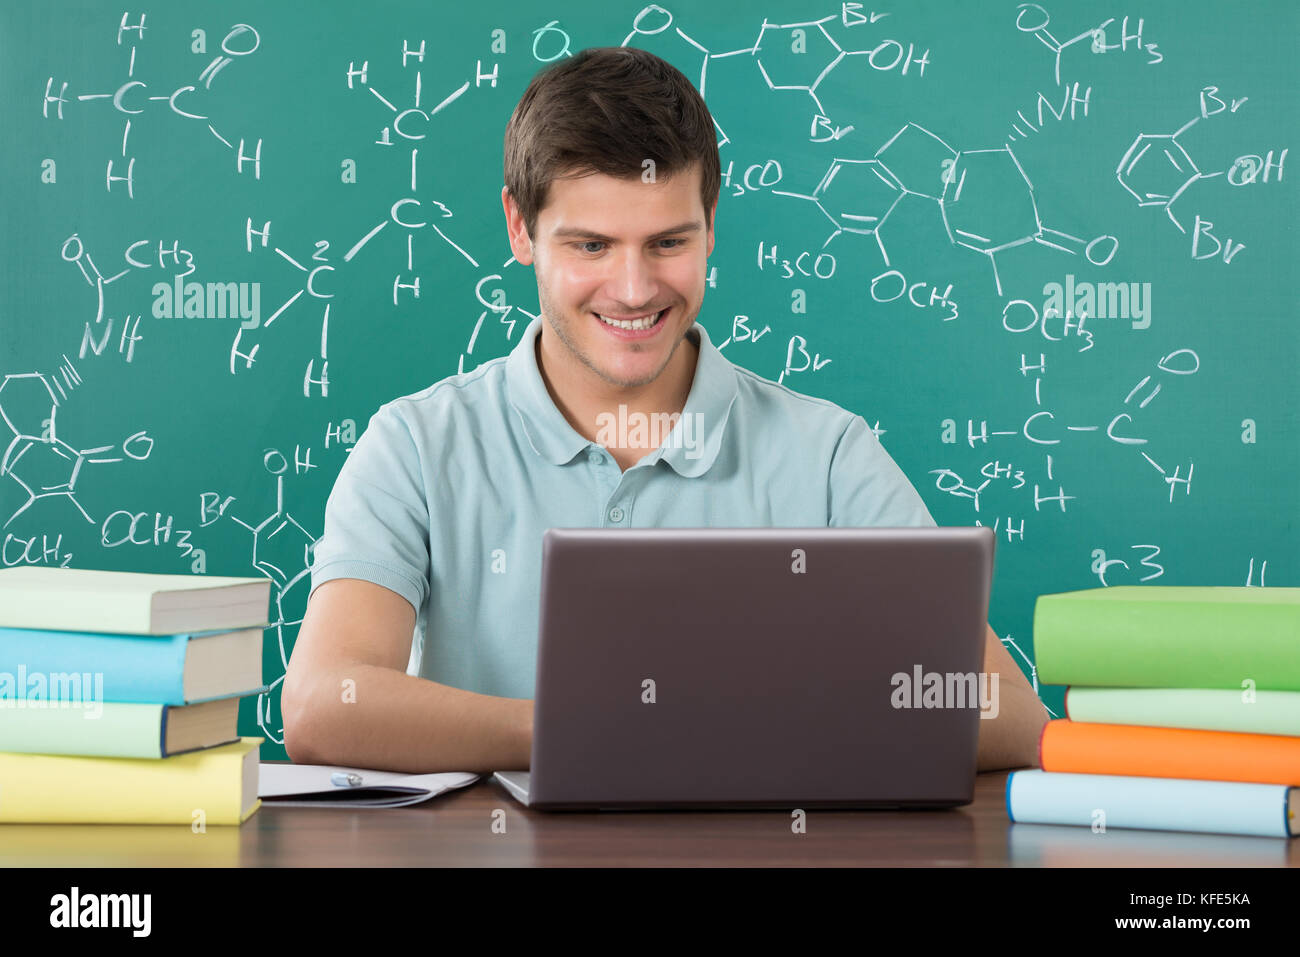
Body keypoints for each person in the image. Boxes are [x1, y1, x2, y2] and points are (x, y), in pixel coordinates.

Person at [282, 46, 1048, 774]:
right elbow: (323, 703)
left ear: (711, 224)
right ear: (521, 229)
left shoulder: (827, 453)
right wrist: (577, 727)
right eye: (589, 246)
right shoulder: (416, 444)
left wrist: (740, 722)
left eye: (667, 241)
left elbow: (1008, 710)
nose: (634, 287)